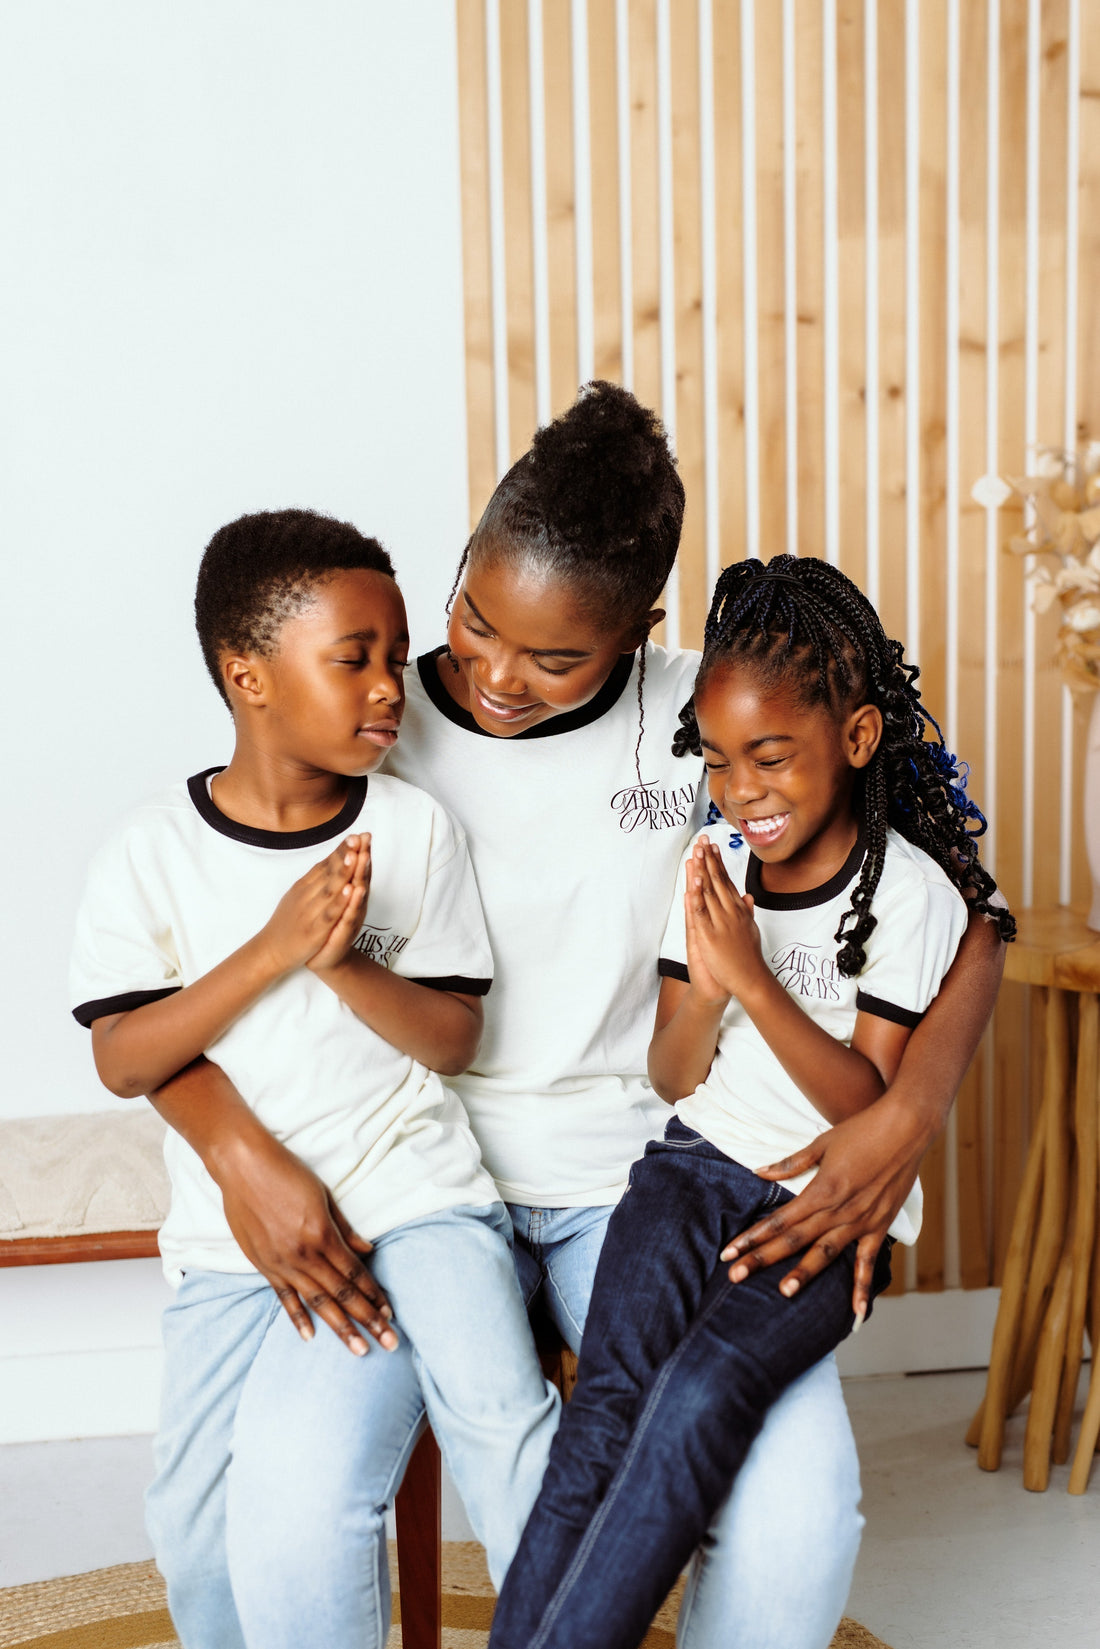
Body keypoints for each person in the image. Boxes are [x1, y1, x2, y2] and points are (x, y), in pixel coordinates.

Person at [145, 384, 1007, 1647]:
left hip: (635, 1184)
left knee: (798, 1511)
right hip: (394, 1183)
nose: (492, 674)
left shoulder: (703, 722)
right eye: (471, 618)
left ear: (638, 631)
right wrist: (233, 1151)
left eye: (550, 657)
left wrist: (907, 1119)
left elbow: (970, 918)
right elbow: (186, 951)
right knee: (284, 1510)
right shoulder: (360, 713)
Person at [487, 554, 1014, 1649]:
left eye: (768, 756)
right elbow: (674, 1071)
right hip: (685, 1168)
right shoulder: (714, 865)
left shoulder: (906, 890)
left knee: (698, 1393)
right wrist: (707, 983)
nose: (740, 790)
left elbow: (866, 1100)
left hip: (818, 1204)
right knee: (605, 1415)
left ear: (855, 738)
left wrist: (758, 983)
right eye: (718, 761)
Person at [69, 510, 559, 1649]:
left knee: (499, 1426)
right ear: (248, 675)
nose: (392, 688)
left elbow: (452, 1037)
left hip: (415, 1200)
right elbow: (124, 1055)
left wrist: (340, 966)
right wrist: (277, 948)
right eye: (355, 660)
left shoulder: (413, 829)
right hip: (225, 1250)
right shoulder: (151, 853)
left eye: (395, 657)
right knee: (191, 1531)